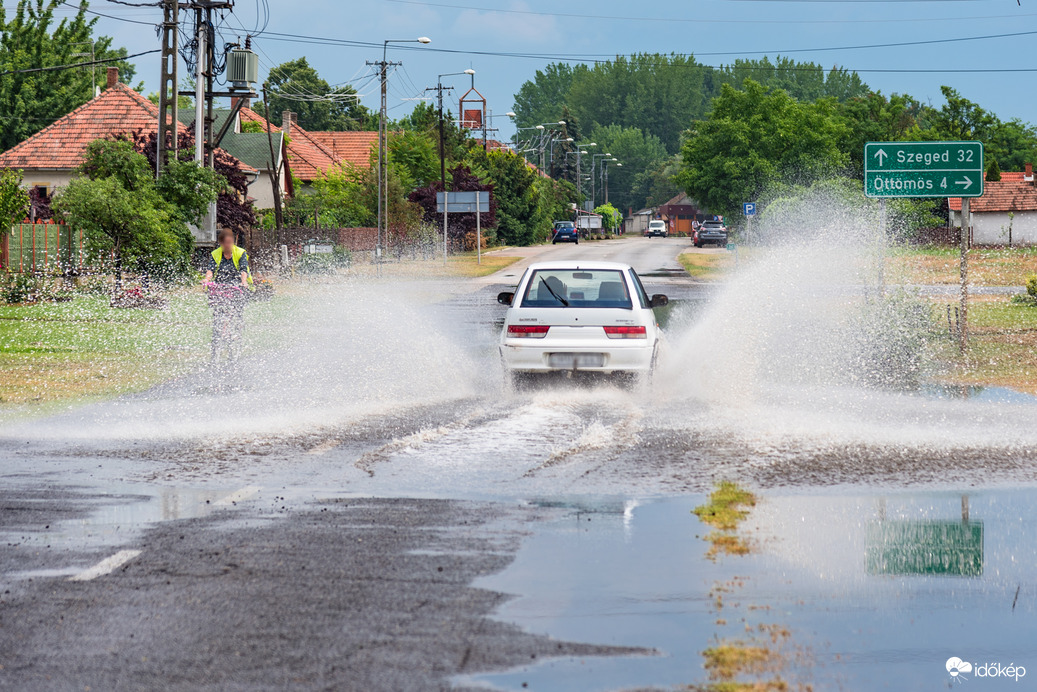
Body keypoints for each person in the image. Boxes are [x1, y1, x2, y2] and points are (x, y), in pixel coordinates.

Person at [204, 230, 251, 362]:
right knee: (218, 318)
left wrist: (243, 282)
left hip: (237, 288)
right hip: (221, 289)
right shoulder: (215, 254)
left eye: (230, 242)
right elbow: (210, 270)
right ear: (221, 243)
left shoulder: (240, 253)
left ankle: (236, 336)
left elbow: (243, 270)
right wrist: (207, 280)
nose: (228, 245)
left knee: (235, 315)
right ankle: (215, 349)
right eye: (225, 243)